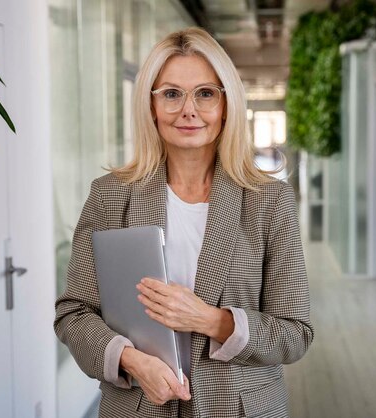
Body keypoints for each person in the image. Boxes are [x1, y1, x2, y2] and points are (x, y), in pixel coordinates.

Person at [54, 27, 313, 417]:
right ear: (151, 105)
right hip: (139, 405)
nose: (188, 110)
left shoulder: (268, 201)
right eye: (172, 94)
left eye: (205, 93)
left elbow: (295, 333)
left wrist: (212, 321)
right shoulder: (110, 195)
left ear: (226, 105)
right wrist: (130, 360)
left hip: (237, 407)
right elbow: (73, 314)